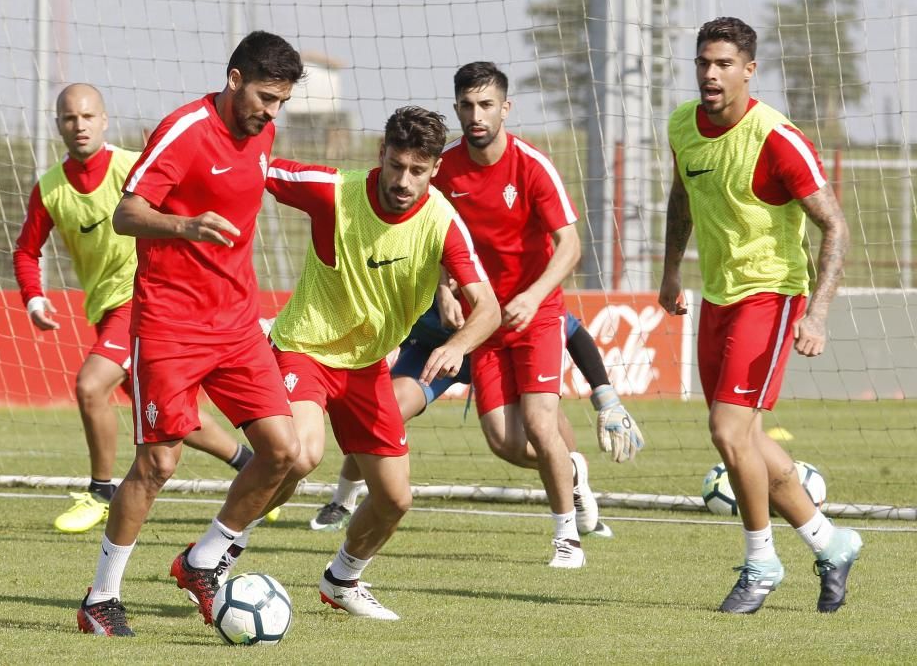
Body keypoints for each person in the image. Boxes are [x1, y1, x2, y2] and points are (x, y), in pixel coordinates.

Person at [74, 32, 305, 637]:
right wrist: (185, 225)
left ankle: (201, 561)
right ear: (234, 79)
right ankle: (100, 599)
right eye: (264, 96)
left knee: (285, 452)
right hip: (171, 324)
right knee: (158, 462)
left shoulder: (264, 131)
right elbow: (127, 212)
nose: (270, 111)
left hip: (237, 324)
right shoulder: (184, 129)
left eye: (281, 101)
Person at [236, 105, 497, 621]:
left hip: (368, 364)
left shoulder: (442, 221)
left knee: (395, 500)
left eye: (417, 171)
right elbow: (253, 167)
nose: (404, 181)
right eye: (396, 166)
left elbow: (487, 306)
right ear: (382, 154)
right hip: (306, 347)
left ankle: (342, 580)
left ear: (434, 169)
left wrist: (456, 346)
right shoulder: (335, 189)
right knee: (300, 455)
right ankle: (217, 551)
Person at [658, 17, 859, 614]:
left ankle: (760, 562)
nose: (710, 74)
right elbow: (679, 197)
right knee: (745, 438)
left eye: (723, 64)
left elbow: (836, 225)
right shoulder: (680, 127)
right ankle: (832, 541)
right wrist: (670, 272)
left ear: (749, 70)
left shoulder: (776, 138)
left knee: (726, 432)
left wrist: (816, 313)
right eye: (703, 62)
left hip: (770, 295)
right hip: (716, 295)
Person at [13, 83, 255, 536]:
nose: (79, 125)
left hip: (146, 300)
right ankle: (248, 463)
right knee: (166, 413)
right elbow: (27, 251)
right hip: (107, 309)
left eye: (88, 117)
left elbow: (190, 208)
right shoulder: (49, 189)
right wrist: (34, 296)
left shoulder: (132, 166)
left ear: (104, 121)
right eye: (70, 118)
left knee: (90, 386)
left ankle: (100, 491)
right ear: (59, 125)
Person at [431, 61, 644, 570]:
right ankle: (574, 472)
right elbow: (436, 236)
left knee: (540, 422)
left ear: (505, 108)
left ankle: (566, 537)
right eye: (466, 105)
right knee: (505, 443)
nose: (475, 115)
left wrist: (533, 295)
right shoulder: (445, 170)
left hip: (537, 315)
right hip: (485, 323)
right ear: (457, 108)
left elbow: (569, 247)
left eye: (486, 105)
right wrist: (445, 287)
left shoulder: (532, 165)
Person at [311, 302, 627, 540]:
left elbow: (570, 330)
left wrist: (606, 396)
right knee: (380, 410)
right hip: (432, 354)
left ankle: (573, 481)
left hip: (499, 355)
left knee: (541, 424)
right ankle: (343, 501)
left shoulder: (494, 281)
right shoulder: (410, 276)